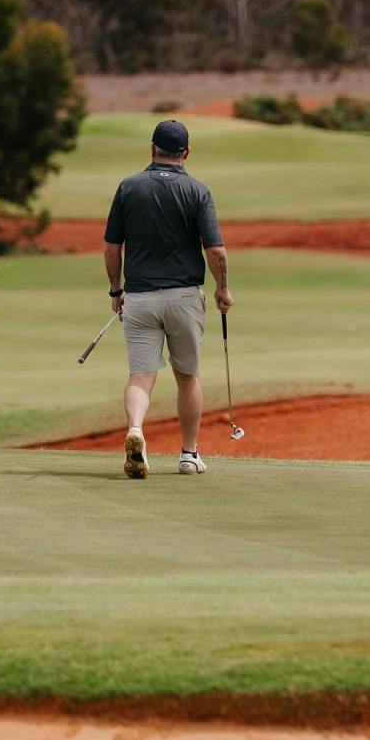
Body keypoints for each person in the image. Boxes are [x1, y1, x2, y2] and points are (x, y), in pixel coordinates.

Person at [102, 119, 233, 478]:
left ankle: (135, 431)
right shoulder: (198, 191)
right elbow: (216, 250)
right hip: (184, 297)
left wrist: (116, 290)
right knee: (187, 376)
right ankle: (189, 455)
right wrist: (222, 288)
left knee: (140, 377)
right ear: (186, 153)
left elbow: (112, 248)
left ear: (152, 149)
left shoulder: (128, 188)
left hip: (140, 298)